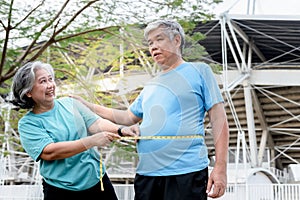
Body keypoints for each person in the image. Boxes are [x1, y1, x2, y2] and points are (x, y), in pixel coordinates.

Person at [72, 19, 229, 200]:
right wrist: (88, 105)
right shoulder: (151, 85)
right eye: (150, 43)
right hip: (147, 174)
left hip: (186, 171)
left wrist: (220, 167)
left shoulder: (200, 71)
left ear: (177, 40)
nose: (153, 47)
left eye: (159, 39)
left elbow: (219, 120)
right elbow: (127, 117)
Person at [11, 61, 138, 200]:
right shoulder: (28, 124)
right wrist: (91, 141)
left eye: (50, 79)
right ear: (28, 92)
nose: (50, 85)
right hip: (61, 191)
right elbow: (50, 152)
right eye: (43, 81)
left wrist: (121, 129)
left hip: (98, 182)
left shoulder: (70, 104)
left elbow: (96, 123)